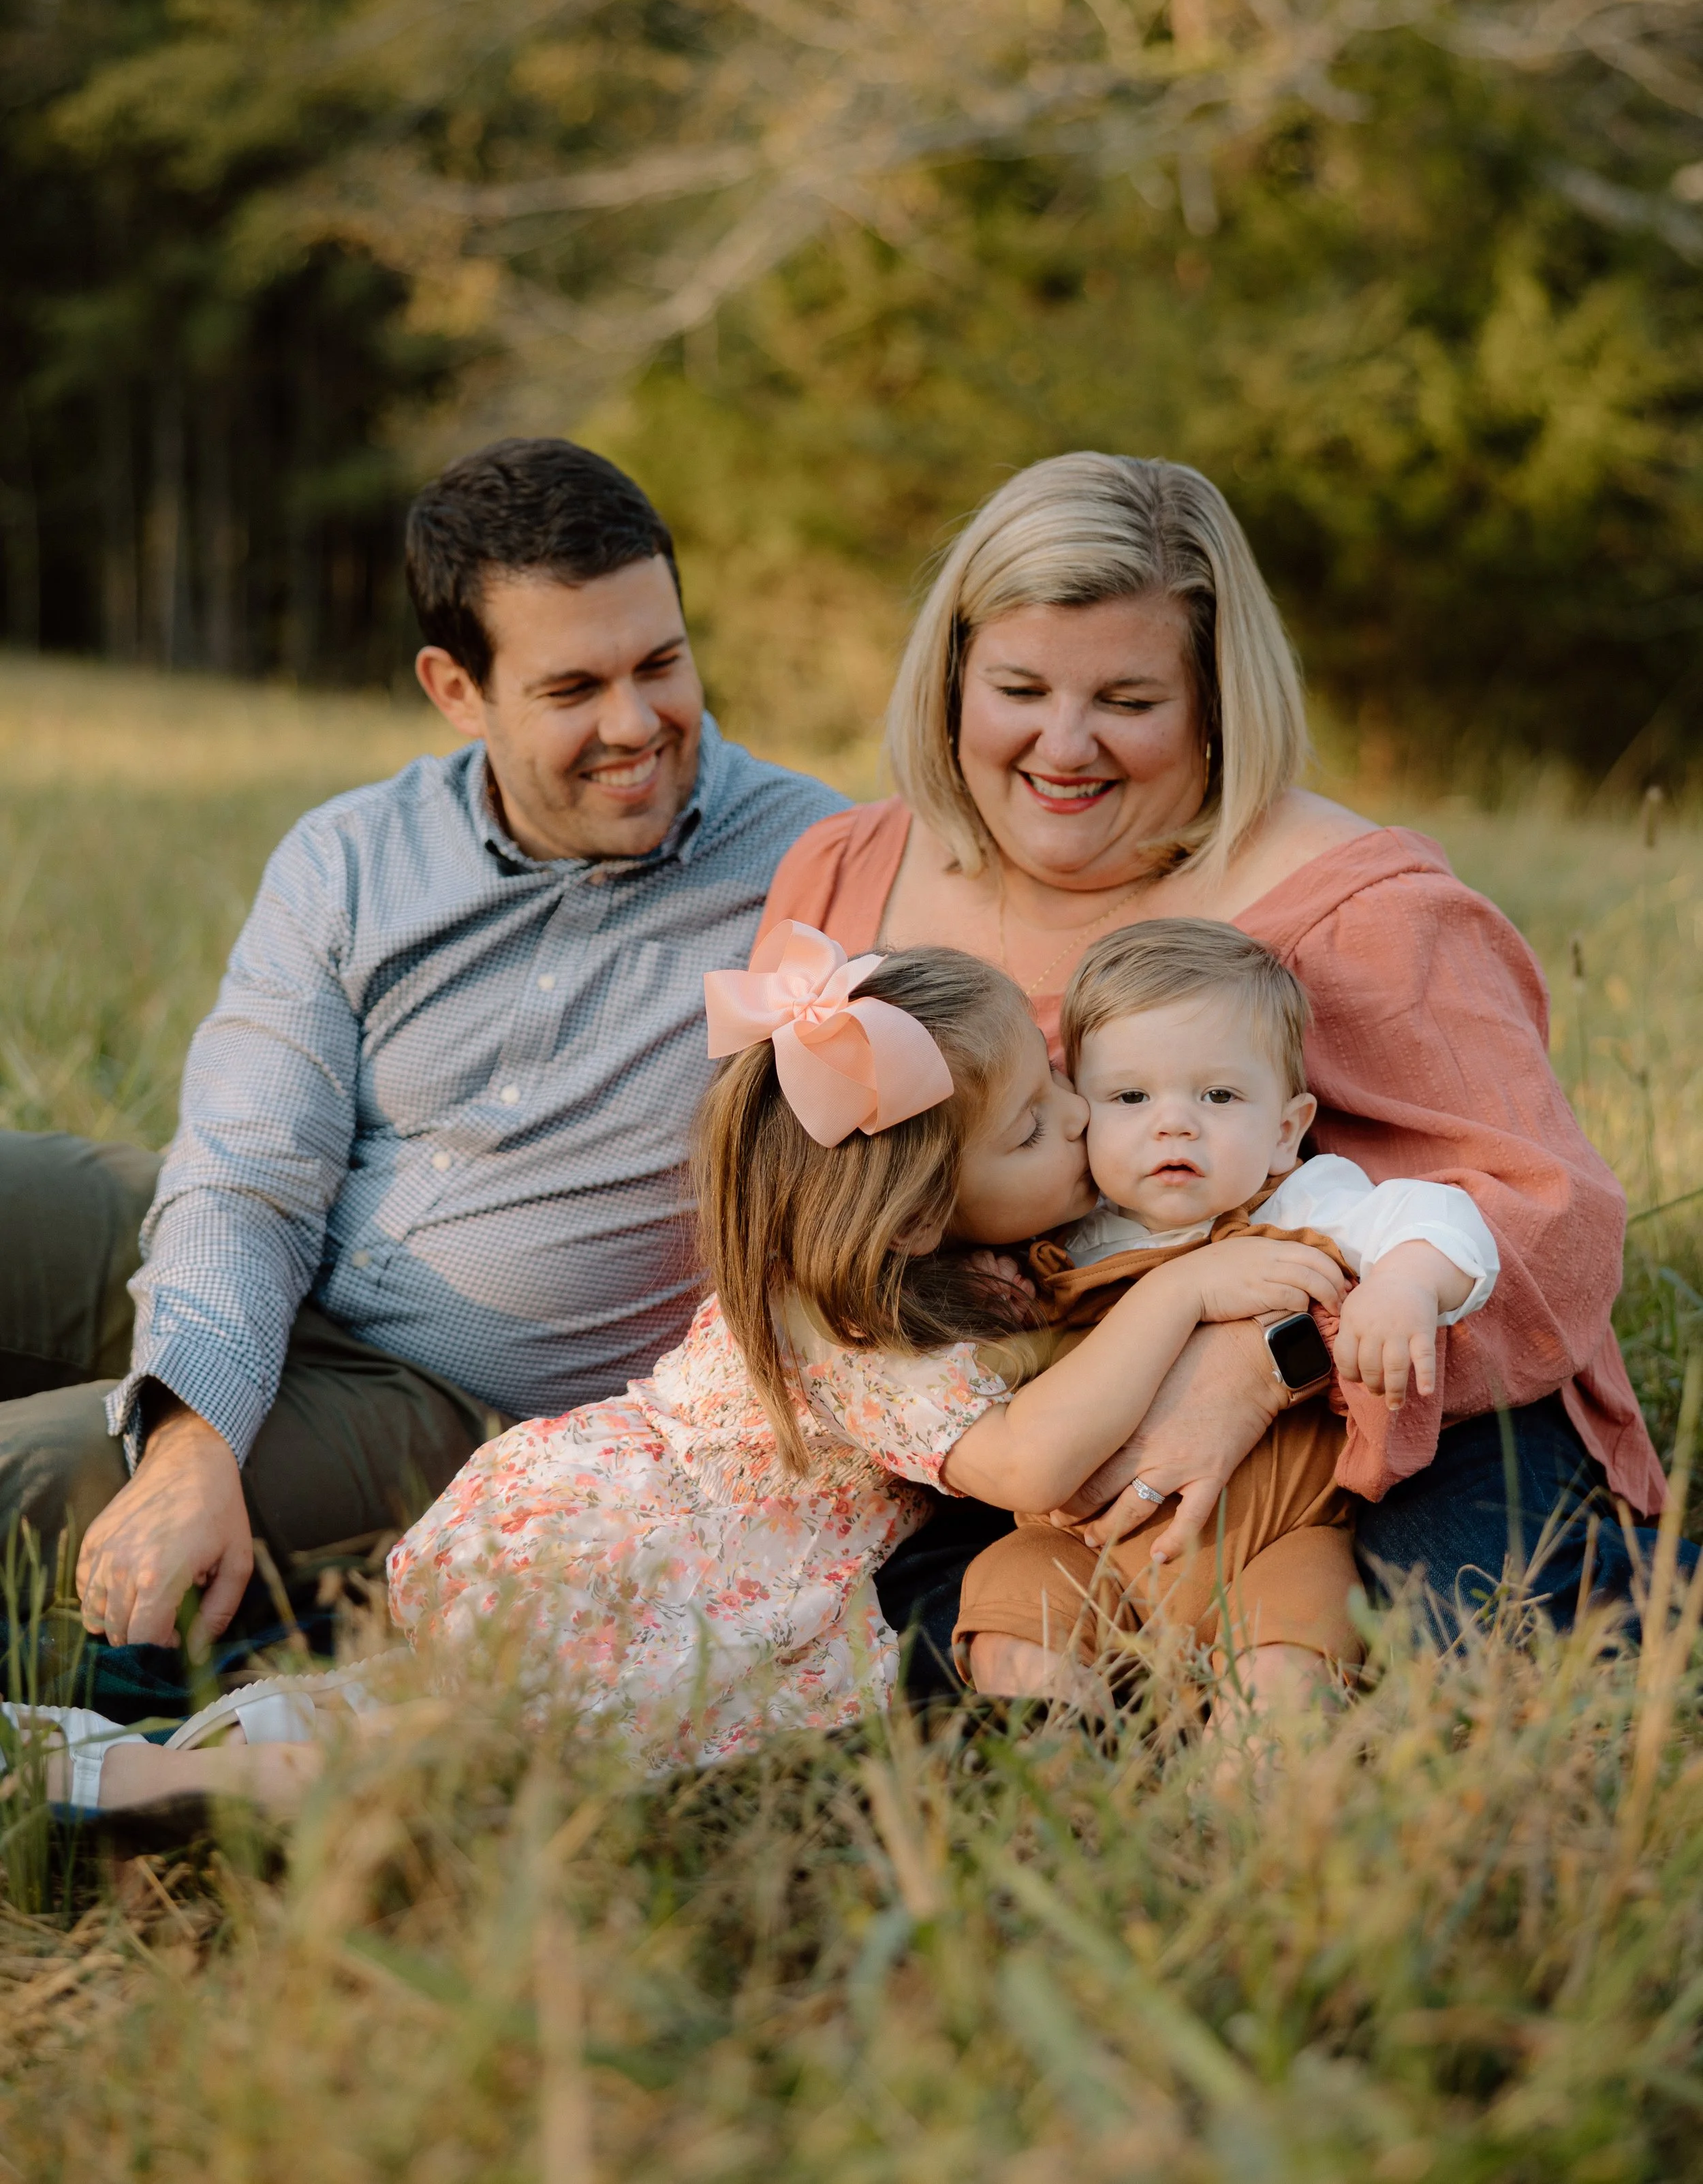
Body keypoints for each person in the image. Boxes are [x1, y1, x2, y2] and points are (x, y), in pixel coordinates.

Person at [4, 924, 1378, 1813]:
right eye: (1038, 1122)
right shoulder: (851, 1320)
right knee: (474, 1772)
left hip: (598, 1525)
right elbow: (1023, 1461)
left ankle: (193, 1734)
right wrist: (1188, 1290)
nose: (1082, 1125)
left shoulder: (927, 1257)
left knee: (430, 1715)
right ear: (911, 1207)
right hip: (657, 1570)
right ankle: (123, 1784)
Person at [760, 451, 1672, 1689]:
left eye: (1128, 701)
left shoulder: (1361, 911)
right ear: (951, 678)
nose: (1062, 746)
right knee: (892, 1646)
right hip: (1014, 1434)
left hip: (1381, 1418)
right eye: (1018, 685)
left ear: (1213, 706)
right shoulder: (848, 874)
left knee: (1444, 1648)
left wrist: (1258, 1363)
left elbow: (1554, 1234)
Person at [0, 437, 842, 1664]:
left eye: (662, 664)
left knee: (28, 1480)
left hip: (455, 1397)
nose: (638, 723)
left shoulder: (818, 866)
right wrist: (194, 1434)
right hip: (288, 1269)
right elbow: (247, 1172)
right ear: (457, 689)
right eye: (573, 691)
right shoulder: (352, 857)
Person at [952, 920, 1500, 1699]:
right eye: (1130, 1095)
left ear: (1284, 1131)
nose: (1173, 1121)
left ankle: (1250, 1780)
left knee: (1295, 1649)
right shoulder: (1059, 1238)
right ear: (1079, 1115)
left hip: (1278, 1545)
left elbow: (1440, 1217)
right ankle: (1059, 1760)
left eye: (1218, 1095)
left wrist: (1406, 1283)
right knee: (1012, 1611)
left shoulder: (1304, 1198)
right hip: (1084, 1548)